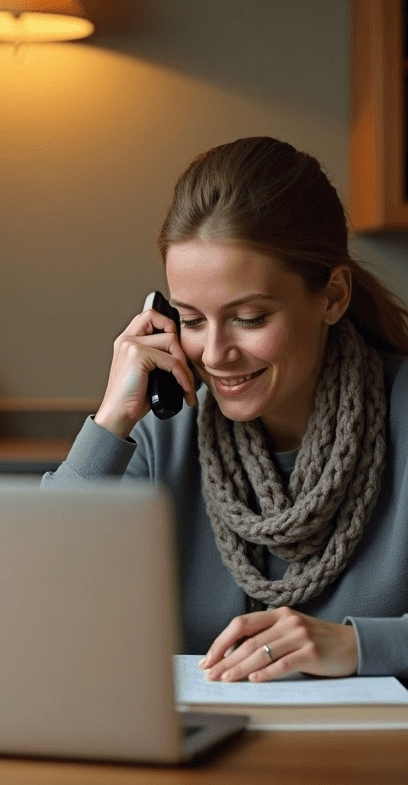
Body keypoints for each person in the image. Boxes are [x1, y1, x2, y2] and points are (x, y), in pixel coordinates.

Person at [44, 136, 408, 681]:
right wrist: (111, 418)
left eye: (250, 318)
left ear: (332, 296)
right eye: (191, 320)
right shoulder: (163, 432)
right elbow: (33, 590)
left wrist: (358, 645)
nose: (215, 355)